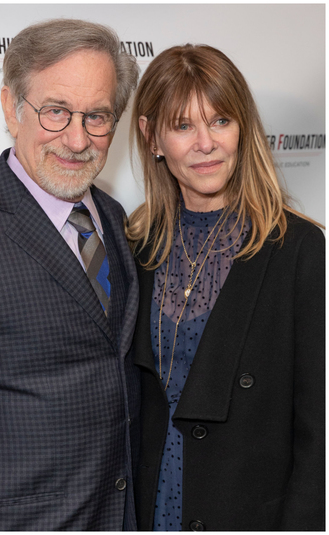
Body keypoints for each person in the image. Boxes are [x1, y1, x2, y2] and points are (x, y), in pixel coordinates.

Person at [0, 18, 141, 530]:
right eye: (56, 112)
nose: (76, 138)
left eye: (97, 116)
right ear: (11, 107)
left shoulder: (113, 218)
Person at [126, 44, 325, 531]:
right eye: (182, 126)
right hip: (150, 507)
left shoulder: (297, 247)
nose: (205, 143)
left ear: (243, 129)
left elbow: (320, 430)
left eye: (219, 121)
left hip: (247, 512)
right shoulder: (134, 245)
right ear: (152, 136)